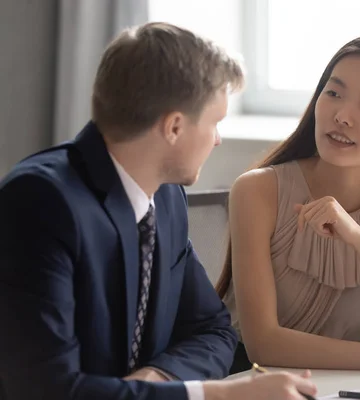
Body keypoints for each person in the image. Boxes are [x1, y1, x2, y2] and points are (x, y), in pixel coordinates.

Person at [0, 22, 316, 400]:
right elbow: (47, 391)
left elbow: (214, 332)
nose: (217, 138)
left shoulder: (165, 198)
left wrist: (154, 381)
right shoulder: (40, 202)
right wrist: (225, 396)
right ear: (175, 127)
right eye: (215, 122)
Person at [216, 35, 360, 374]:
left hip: (340, 385)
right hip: (247, 383)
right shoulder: (258, 191)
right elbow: (263, 345)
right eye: (333, 93)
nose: (342, 115)